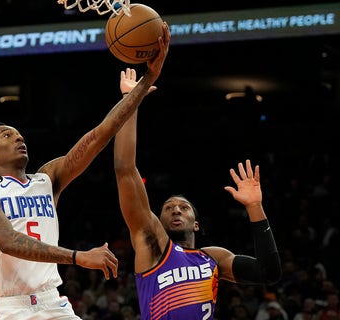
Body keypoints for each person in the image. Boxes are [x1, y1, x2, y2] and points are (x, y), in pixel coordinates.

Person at [0, 22, 170, 319]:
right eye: (7, 135)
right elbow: (7, 241)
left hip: (53, 303)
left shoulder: (46, 178)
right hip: (9, 308)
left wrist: (145, 83)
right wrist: (79, 257)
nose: (19, 137)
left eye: (19, 134)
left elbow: (98, 136)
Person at [112, 71, 282, 319]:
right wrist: (130, 99)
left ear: (196, 224)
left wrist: (255, 207)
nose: (176, 210)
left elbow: (269, 273)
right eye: (169, 208)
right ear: (158, 220)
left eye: (184, 207)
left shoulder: (213, 257)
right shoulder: (153, 245)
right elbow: (124, 169)